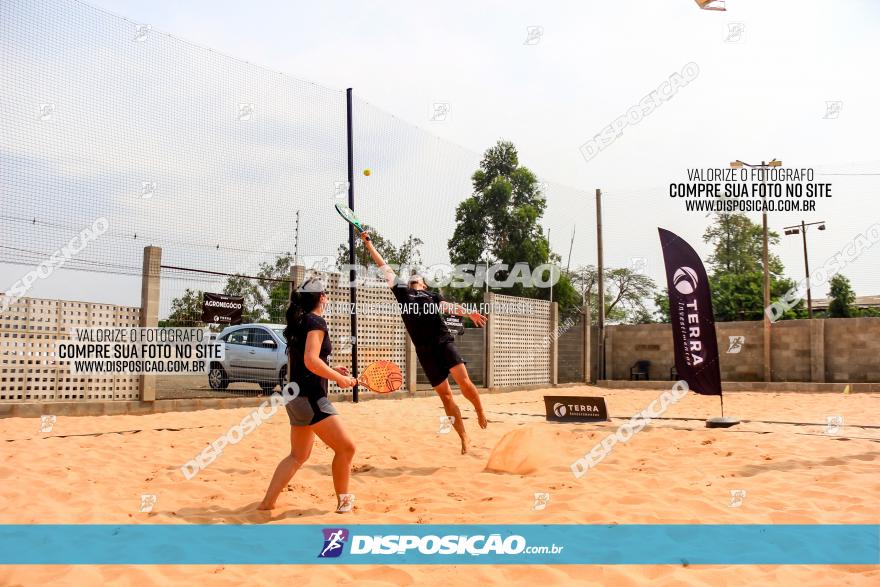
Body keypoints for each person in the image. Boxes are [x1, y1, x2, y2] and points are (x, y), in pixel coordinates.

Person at [360, 230, 488, 454]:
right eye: (411, 278)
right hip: (425, 351)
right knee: (446, 397)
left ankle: (479, 410)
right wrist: (369, 244)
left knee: (464, 382)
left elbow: (450, 307)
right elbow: (384, 267)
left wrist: (469, 314)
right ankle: (464, 437)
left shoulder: (432, 296)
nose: (412, 279)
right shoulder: (402, 293)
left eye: (416, 278)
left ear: (424, 285)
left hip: (443, 342)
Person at [258, 278, 359, 513]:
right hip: (311, 397)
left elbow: (308, 360)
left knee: (297, 455)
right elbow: (310, 360)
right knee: (347, 449)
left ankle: (266, 504)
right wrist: (339, 379)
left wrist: (334, 370)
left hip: (294, 396)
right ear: (321, 297)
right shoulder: (316, 321)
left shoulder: (300, 321)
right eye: (325, 293)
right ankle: (343, 503)